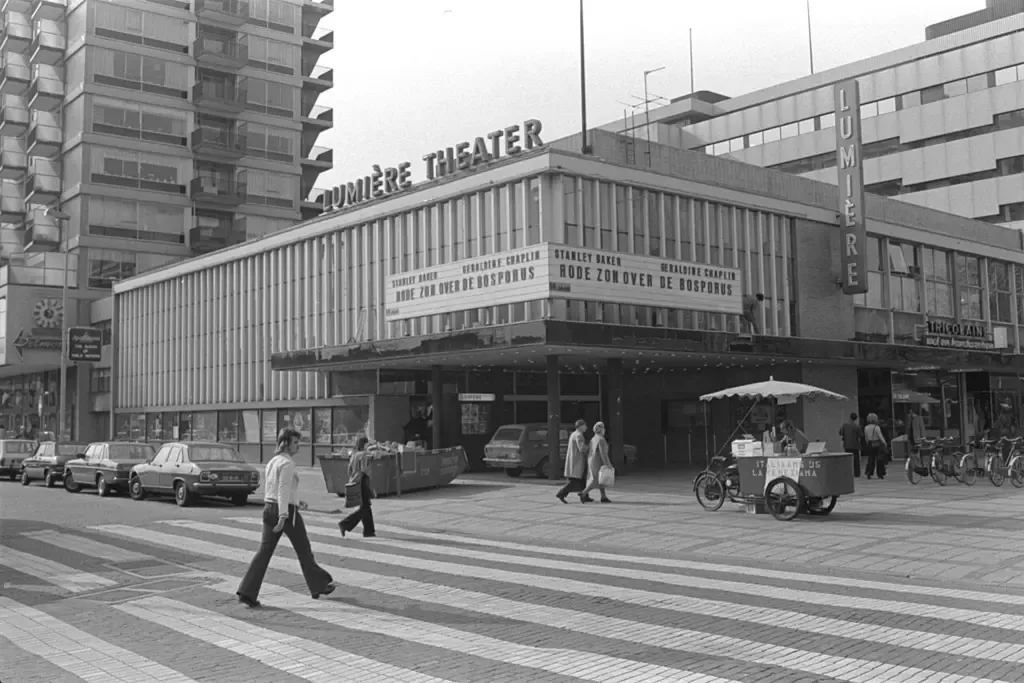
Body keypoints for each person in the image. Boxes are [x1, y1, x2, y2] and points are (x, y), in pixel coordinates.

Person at [236, 428, 336, 608]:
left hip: (269, 508)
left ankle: (247, 592)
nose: (298, 446)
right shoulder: (287, 464)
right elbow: (282, 490)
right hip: (286, 513)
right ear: (286, 444)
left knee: (264, 552)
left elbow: (275, 489)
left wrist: (297, 500)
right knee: (303, 549)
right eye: (295, 442)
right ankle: (319, 585)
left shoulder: (273, 461)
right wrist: (283, 515)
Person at [338, 436, 376, 538]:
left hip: (356, 481)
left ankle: (369, 531)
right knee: (364, 507)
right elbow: (364, 469)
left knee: (366, 506)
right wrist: (369, 473)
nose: (368, 445)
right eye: (367, 444)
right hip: (363, 480)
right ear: (364, 444)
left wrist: (353, 477)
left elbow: (349, 470)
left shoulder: (354, 454)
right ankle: (345, 524)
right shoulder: (363, 454)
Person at [556, 419, 588, 503]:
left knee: (581, 480)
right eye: (585, 425)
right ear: (580, 426)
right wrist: (590, 449)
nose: (586, 427)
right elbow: (581, 448)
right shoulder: (579, 435)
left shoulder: (573, 434)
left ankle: (585, 495)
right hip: (577, 461)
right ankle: (561, 493)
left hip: (573, 460)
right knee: (575, 481)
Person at [579, 421, 612, 503]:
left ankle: (603, 496)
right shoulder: (601, 439)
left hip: (591, 460)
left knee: (601, 479)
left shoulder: (593, 439)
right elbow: (603, 454)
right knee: (596, 479)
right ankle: (583, 493)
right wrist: (608, 464)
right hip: (598, 462)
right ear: (602, 430)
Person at [863, 413, 888, 480]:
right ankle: (880, 474)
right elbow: (880, 436)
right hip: (877, 444)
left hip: (870, 443)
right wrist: (885, 443)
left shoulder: (866, 428)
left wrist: (868, 443)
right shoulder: (877, 427)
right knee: (879, 459)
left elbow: (866, 437)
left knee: (871, 459)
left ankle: (869, 473)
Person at [839, 412, 864, 477]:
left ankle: (848, 472)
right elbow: (861, 435)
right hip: (855, 446)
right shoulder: (857, 426)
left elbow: (840, 433)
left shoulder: (844, 425)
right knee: (856, 460)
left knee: (848, 460)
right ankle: (857, 473)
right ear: (856, 418)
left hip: (847, 445)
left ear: (850, 417)